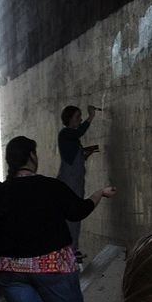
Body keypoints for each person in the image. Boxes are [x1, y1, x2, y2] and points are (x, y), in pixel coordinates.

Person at [0, 136, 115, 302]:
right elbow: (78, 211)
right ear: (31, 156)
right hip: (53, 268)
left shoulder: (1, 192)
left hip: (12, 271)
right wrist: (98, 194)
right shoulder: (50, 187)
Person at [57, 104, 101, 257]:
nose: (80, 119)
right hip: (71, 180)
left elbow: (76, 158)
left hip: (76, 180)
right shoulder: (65, 133)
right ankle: (71, 249)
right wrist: (91, 117)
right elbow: (79, 132)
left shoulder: (71, 139)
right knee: (74, 213)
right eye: (77, 117)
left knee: (75, 213)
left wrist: (85, 155)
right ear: (69, 119)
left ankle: (72, 248)